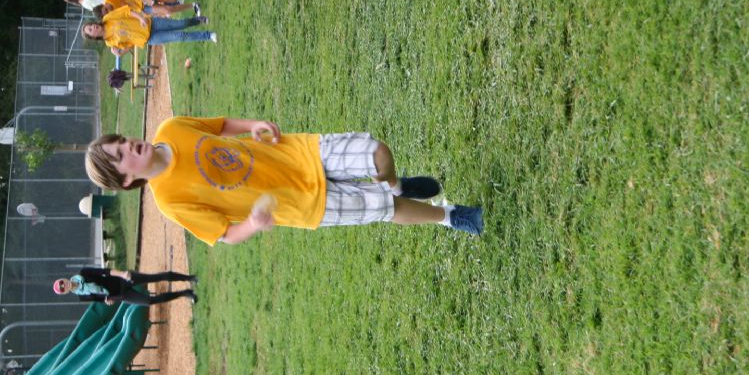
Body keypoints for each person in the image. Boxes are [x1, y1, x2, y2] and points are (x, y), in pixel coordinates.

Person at [84, 117, 484, 246]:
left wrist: (251, 125)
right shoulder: (170, 201)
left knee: (378, 152)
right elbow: (224, 234)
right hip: (301, 204)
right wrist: (252, 224)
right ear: (126, 179)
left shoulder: (171, 129)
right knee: (386, 209)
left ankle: (396, 183)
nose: (129, 145)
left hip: (297, 153)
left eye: (121, 141)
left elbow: (219, 126)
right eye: (121, 155)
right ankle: (451, 216)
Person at [81, 5, 216, 49]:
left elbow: (127, 11)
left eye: (91, 25)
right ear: (93, 37)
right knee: (180, 36)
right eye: (91, 30)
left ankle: (197, 20)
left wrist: (141, 18)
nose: (94, 27)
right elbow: (128, 44)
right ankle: (209, 35)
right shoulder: (109, 42)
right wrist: (120, 52)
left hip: (151, 23)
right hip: (149, 38)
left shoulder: (107, 18)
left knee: (181, 24)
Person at [53, 267, 197, 305]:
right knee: (148, 301)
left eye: (62, 283)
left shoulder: (84, 273)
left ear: (63, 279)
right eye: (62, 288)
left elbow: (105, 271)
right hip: (120, 295)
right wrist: (107, 301)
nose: (64, 285)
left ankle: (189, 278)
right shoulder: (82, 296)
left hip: (122, 280)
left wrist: (122, 274)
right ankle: (185, 293)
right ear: (65, 292)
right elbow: (100, 299)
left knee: (154, 278)